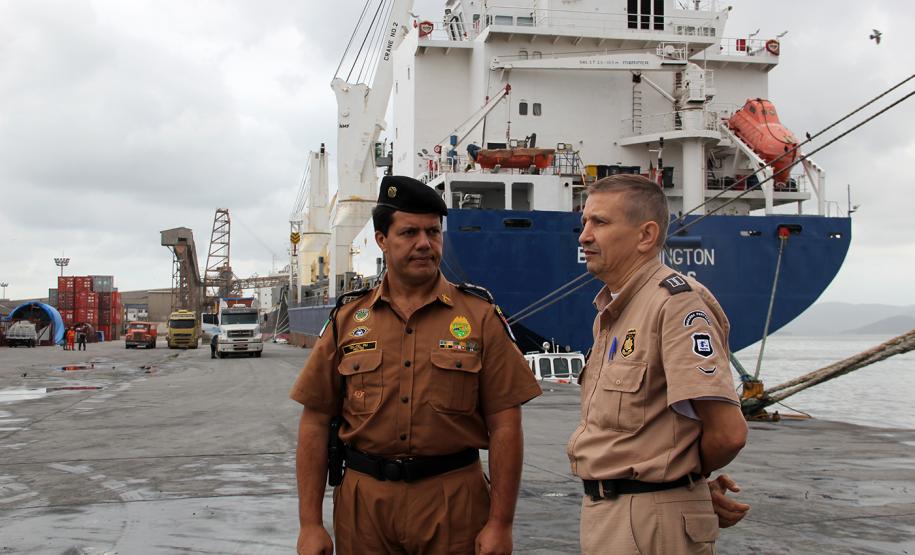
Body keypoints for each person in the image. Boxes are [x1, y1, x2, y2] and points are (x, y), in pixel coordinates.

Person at [290, 175, 542, 555]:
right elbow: (314, 419)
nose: (425, 244)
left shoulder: (480, 316)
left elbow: (506, 423)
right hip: (364, 508)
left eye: (433, 232)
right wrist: (310, 523)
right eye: (409, 232)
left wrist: (500, 523)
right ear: (381, 240)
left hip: (453, 503)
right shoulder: (347, 319)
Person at [568, 174, 749, 554]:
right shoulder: (616, 309)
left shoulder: (674, 303)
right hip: (614, 514)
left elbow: (728, 432)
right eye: (584, 223)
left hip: (648, 520)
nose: (584, 236)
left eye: (599, 222)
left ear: (646, 236)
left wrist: (686, 480)